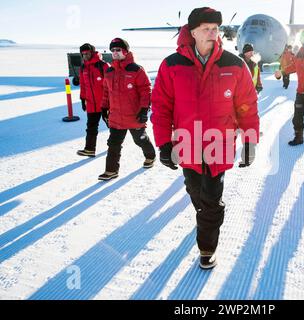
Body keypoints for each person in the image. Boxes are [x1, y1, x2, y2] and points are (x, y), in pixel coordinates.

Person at [151, 7, 260, 269]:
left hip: (218, 146)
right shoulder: (172, 65)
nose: (213, 33)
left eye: (216, 29)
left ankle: (207, 247)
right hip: (187, 144)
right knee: (195, 191)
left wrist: (250, 141)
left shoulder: (233, 64)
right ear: (192, 32)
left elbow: (247, 105)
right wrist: (164, 143)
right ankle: (206, 215)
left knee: (211, 200)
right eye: (206, 29)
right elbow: (161, 107)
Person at [99, 38, 156, 181]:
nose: (115, 53)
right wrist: (104, 108)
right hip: (116, 117)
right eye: (113, 50)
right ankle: (111, 170)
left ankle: (150, 156)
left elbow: (146, 91)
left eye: (118, 50)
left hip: (134, 116)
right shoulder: (110, 71)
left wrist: (144, 110)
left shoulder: (136, 69)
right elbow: (106, 92)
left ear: (125, 51)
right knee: (113, 144)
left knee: (140, 140)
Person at [77, 43, 109, 157]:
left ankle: (114, 146)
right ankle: (89, 149)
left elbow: (111, 85)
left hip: (105, 103)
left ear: (92, 52)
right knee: (91, 127)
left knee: (112, 126)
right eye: (83, 54)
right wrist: (82, 99)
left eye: (87, 53)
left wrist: (110, 101)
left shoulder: (103, 66)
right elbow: (83, 85)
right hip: (91, 103)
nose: (85, 55)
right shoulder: (83, 67)